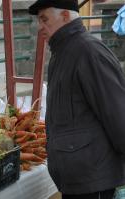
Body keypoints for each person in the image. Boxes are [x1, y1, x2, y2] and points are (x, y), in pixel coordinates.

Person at [29, 0, 125, 198]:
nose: (40, 27)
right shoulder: (62, 52)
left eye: (44, 19)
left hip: (93, 179)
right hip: (78, 178)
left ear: (65, 16)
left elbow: (118, 115)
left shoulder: (89, 51)